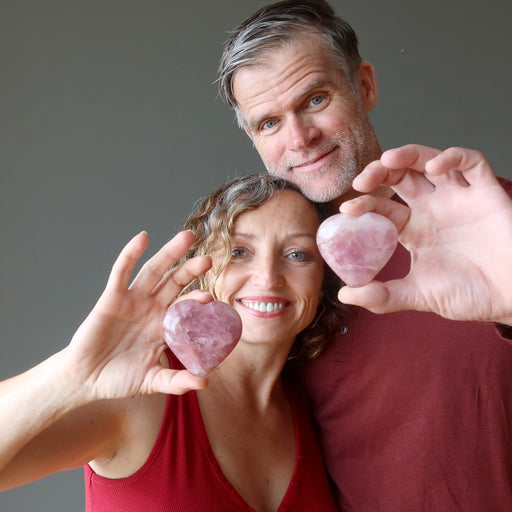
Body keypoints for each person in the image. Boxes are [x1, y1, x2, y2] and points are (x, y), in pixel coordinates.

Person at [217, 1, 512, 510]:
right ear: (253, 138)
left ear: (365, 86)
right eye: (269, 123)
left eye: (315, 99)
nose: (299, 138)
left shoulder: (495, 220)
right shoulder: (263, 287)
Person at [0, 174, 343, 511]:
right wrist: (72, 376)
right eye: (239, 251)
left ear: (323, 280)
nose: (267, 277)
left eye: (298, 254)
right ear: (204, 268)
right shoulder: (139, 393)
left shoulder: (314, 409)